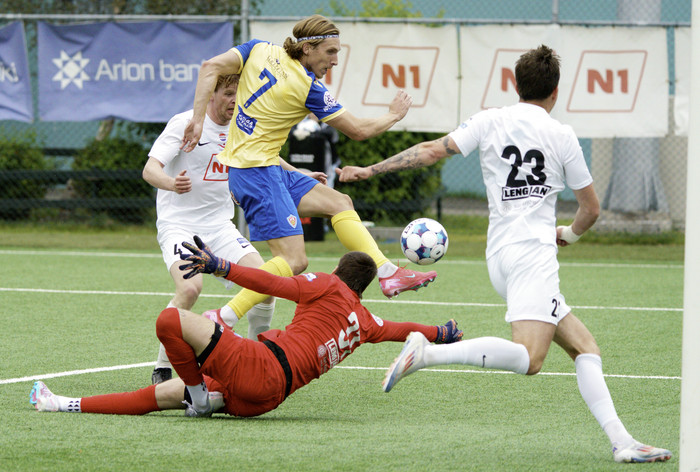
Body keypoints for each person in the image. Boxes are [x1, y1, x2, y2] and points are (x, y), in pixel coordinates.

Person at [336, 45, 671, 464]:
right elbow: (592, 209)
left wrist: (370, 170)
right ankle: (428, 352)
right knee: (530, 358)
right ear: (555, 91)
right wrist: (569, 235)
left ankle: (623, 441)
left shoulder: (489, 119)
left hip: (499, 256)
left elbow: (431, 150)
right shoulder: (562, 135)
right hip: (532, 255)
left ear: (517, 85)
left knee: (585, 347)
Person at [180, 14, 438, 334]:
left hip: (265, 168)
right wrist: (393, 115)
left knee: (340, 202)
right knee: (294, 260)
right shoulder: (308, 87)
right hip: (257, 174)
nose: (335, 60)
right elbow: (358, 130)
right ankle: (223, 317)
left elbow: (209, 67)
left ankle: (386, 272)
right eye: (330, 52)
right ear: (307, 48)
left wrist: (197, 119)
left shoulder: (258, 49)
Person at [29, 239, 463, 418]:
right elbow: (402, 328)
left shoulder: (327, 286)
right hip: (266, 399)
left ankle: (200, 395)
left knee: (169, 321)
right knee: (163, 396)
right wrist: (440, 333)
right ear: (363, 288)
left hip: (260, 368)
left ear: (337, 272)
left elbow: (271, 283)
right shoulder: (365, 321)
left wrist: (221, 265)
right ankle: (62, 404)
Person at [142, 73, 275, 385]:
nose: (234, 100)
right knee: (190, 289)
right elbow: (150, 170)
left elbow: (270, 159)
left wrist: (301, 176)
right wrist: (172, 184)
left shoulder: (242, 126)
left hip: (219, 226)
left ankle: (261, 363)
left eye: (238, 94)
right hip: (180, 226)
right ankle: (163, 367)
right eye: (228, 93)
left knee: (266, 283)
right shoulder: (186, 123)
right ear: (211, 94)